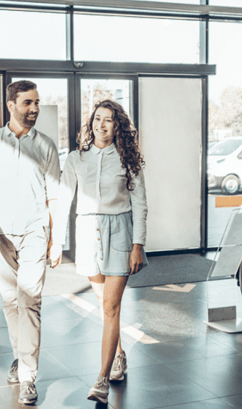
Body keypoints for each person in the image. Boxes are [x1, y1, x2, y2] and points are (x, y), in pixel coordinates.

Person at [50, 99, 148, 404]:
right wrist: (56, 242)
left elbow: (141, 205)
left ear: (117, 125)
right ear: (90, 123)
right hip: (86, 232)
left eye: (108, 120)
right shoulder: (76, 159)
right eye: (97, 119)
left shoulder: (129, 160)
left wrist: (138, 245)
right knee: (104, 304)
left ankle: (102, 378)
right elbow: (63, 201)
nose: (101, 125)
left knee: (110, 309)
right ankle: (119, 354)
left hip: (120, 231)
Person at [0, 80, 60, 405]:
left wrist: (57, 239)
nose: (34, 109)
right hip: (0, 233)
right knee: (10, 302)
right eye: (27, 103)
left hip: (36, 232)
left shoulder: (46, 146)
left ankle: (28, 376)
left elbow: (54, 197)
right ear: (11, 105)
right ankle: (21, 358)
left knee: (30, 301)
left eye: (36, 102)